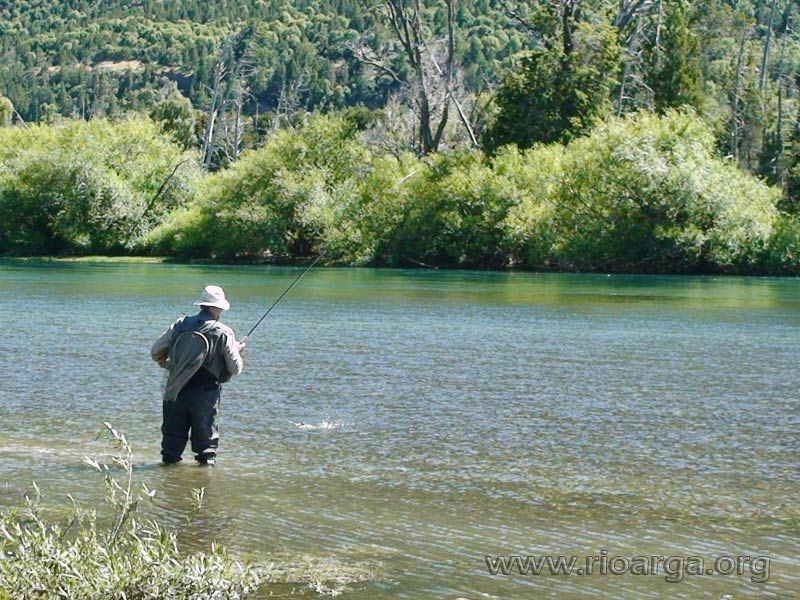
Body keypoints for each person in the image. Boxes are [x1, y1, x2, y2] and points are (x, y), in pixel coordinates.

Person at [151, 285, 245, 465]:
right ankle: (203, 486)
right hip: (205, 394)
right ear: (217, 308)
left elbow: (155, 351)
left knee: (171, 448)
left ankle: (169, 484)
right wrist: (238, 350)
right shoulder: (223, 331)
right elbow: (235, 368)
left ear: (202, 305)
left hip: (175, 390)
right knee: (206, 449)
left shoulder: (180, 324)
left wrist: (170, 365)